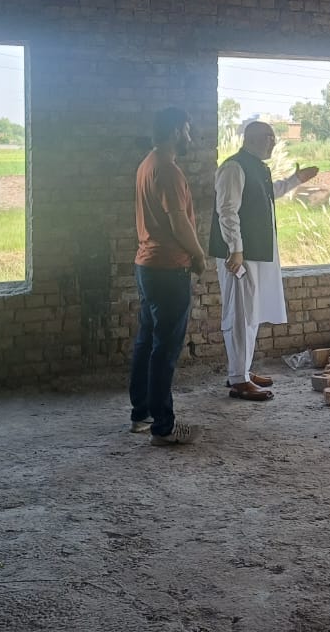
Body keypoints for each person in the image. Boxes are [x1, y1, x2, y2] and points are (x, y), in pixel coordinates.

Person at [209, 120, 318, 401]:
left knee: (251, 312)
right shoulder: (234, 168)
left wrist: (295, 180)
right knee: (240, 313)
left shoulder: (257, 167)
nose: (273, 142)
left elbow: (270, 194)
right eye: (268, 137)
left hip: (254, 252)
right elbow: (227, 210)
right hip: (241, 254)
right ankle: (238, 379)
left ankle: (242, 370)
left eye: (273, 137)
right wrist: (235, 248)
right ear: (252, 138)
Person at [130, 107, 207, 446]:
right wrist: (198, 255)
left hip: (147, 265)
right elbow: (179, 222)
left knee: (147, 342)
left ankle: (142, 414)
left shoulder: (147, 164)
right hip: (168, 268)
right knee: (165, 349)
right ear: (176, 131)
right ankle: (164, 427)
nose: (190, 136)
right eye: (187, 130)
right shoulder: (168, 170)